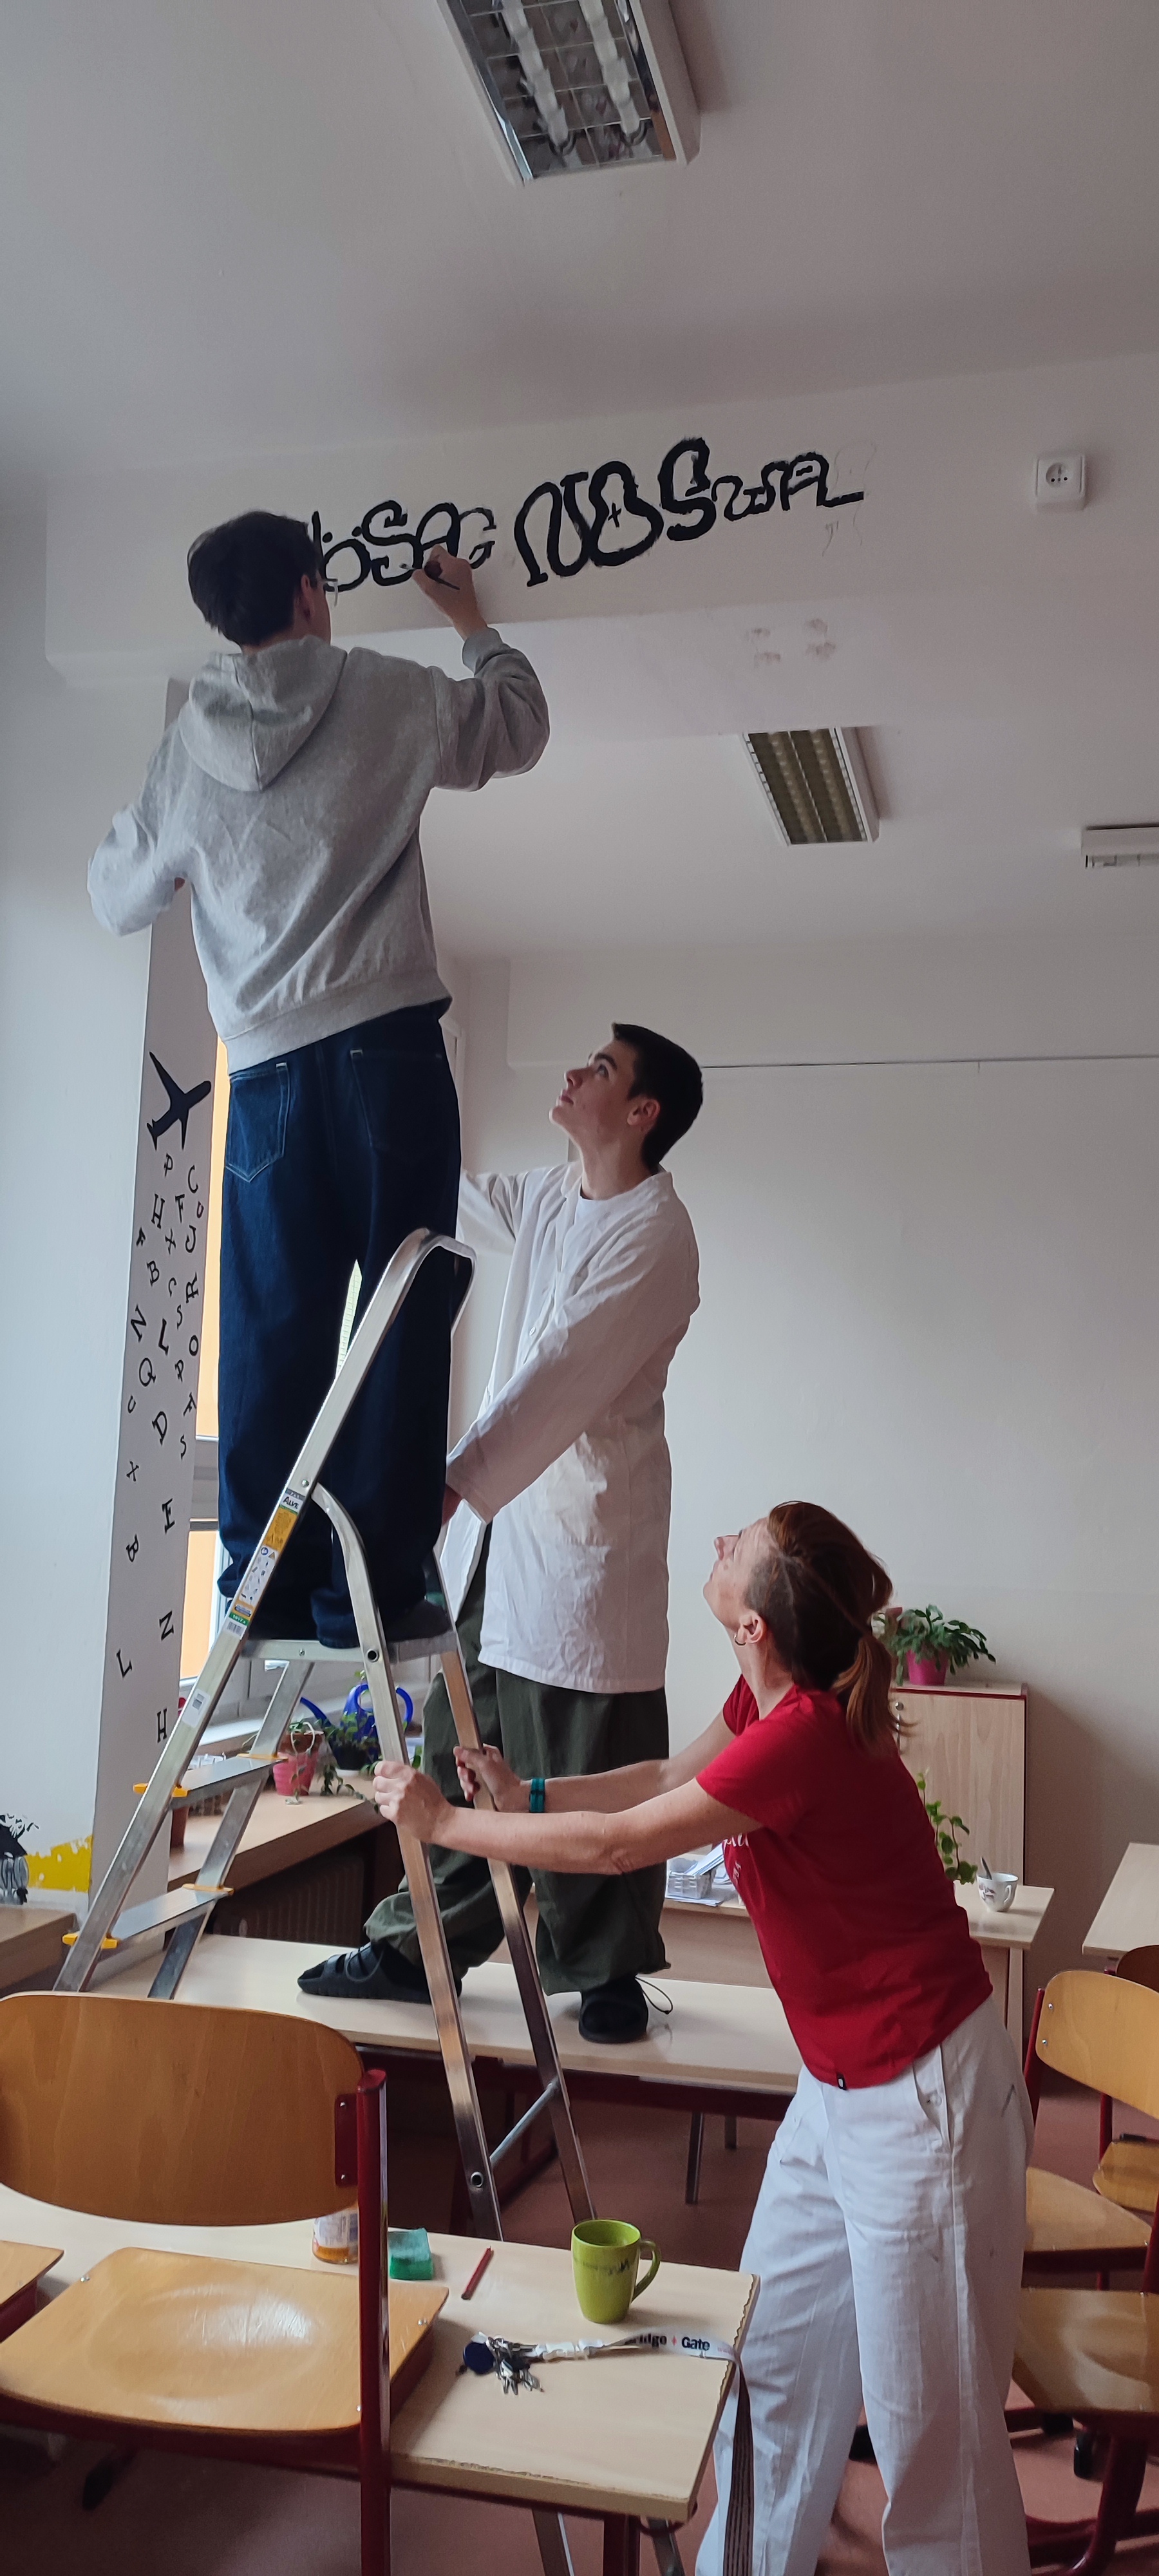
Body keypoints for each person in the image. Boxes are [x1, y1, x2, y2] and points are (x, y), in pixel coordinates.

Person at [372, 1500, 1033, 2575]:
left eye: (743, 1545)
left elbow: (618, 1846)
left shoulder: (803, 1738)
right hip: (837, 2090)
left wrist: (443, 1823)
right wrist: (528, 1793)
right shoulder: (763, 1702)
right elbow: (655, 1785)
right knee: (769, 2372)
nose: (724, 1539)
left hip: (925, 2101)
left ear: (755, 1625)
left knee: (936, 2448)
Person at [89, 512, 549, 1646]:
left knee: (269, 1327)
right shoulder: (382, 691)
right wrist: (475, 627)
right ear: (309, 591)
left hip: (267, 1076)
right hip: (388, 1057)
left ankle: (266, 1587)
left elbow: (112, 894)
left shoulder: (186, 752)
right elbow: (517, 727)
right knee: (402, 1311)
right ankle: (370, 1592)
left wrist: (189, 866)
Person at [301, 1023, 702, 2041]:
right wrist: (358, 1139)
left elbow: (562, 1369)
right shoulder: (553, 1194)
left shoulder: (657, 1236)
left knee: (581, 1745)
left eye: (601, 1069)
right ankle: (418, 1945)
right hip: (496, 1540)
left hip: (580, 1543)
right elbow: (450, 1194)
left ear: (643, 1112)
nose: (575, 1073)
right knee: (460, 1741)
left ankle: (607, 1968)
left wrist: (453, 1481)